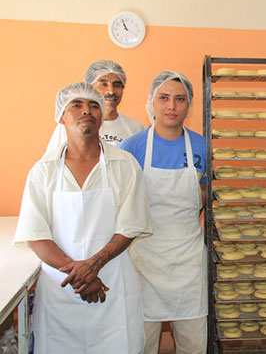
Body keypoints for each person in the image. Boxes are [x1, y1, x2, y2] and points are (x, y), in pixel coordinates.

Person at [14, 82, 152, 353]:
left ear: (102, 116)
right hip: (61, 290)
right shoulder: (44, 171)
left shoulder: (124, 165)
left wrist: (94, 265)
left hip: (113, 286)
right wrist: (83, 274)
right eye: (76, 105)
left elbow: (130, 226)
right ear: (61, 116)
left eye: (93, 105)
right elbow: (36, 235)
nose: (86, 110)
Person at [119, 71, 207, 354]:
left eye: (180, 99)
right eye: (164, 98)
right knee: (142, 342)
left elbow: (207, 194)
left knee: (193, 343)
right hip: (144, 257)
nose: (172, 106)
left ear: (188, 106)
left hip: (188, 257)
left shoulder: (203, 147)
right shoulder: (131, 148)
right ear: (152, 103)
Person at [46, 59, 144, 152]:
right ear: (90, 88)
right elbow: (53, 163)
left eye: (117, 85)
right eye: (104, 84)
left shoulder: (134, 127)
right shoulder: (71, 125)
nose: (111, 91)